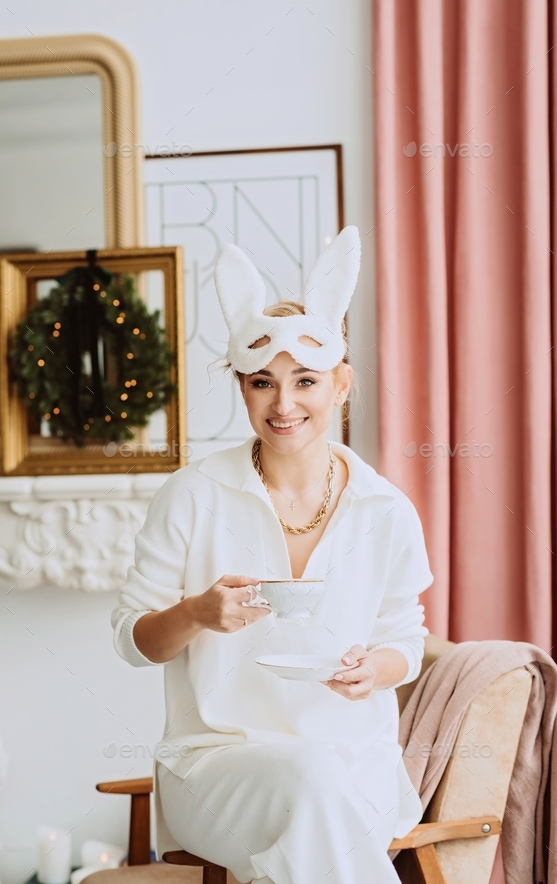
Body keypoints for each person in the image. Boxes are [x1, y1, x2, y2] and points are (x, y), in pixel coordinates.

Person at [111, 226, 433, 884]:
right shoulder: (192, 494)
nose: (283, 404)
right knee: (307, 788)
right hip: (216, 766)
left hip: (356, 767)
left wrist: (373, 670)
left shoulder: (386, 508)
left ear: (340, 386)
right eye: (263, 383)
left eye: (305, 381)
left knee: (314, 800)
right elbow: (133, 642)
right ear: (243, 390)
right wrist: (197, 614)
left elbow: (406, 639)